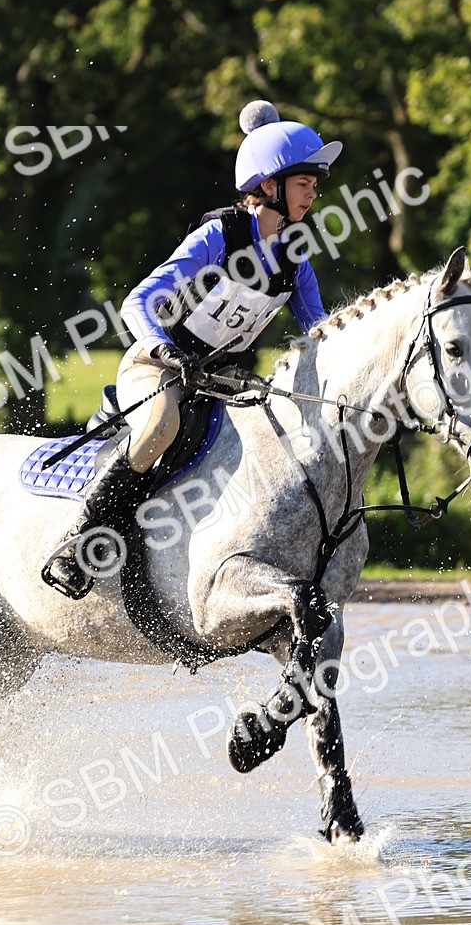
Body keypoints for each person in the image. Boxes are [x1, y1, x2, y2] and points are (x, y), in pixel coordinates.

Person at [44, 99, 343, 598]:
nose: (314, 194)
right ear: (269, 185)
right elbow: (139, 300)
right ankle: (83, 541)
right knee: (163, 423)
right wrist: (165, 352)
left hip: (219, 382)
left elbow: (321, 335)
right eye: (305, 183)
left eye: (315, 185)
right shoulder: (217, 236)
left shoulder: (295, 259)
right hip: (157, 365)